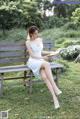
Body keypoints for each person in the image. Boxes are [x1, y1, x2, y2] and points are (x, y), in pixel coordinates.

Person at [26, 26, 62, 109]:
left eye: (37, 33)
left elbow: (40, 51)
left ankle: (55, 98)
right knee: (47, 64)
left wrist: (51, 52)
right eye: (35, 33)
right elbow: (32, 55)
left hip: (40, 61)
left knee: (45, 77)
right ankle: (55, 88)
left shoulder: (39, 39)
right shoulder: (28, 42)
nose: (37, 35)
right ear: (31, 34)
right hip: (33, 61)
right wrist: (42, 58)